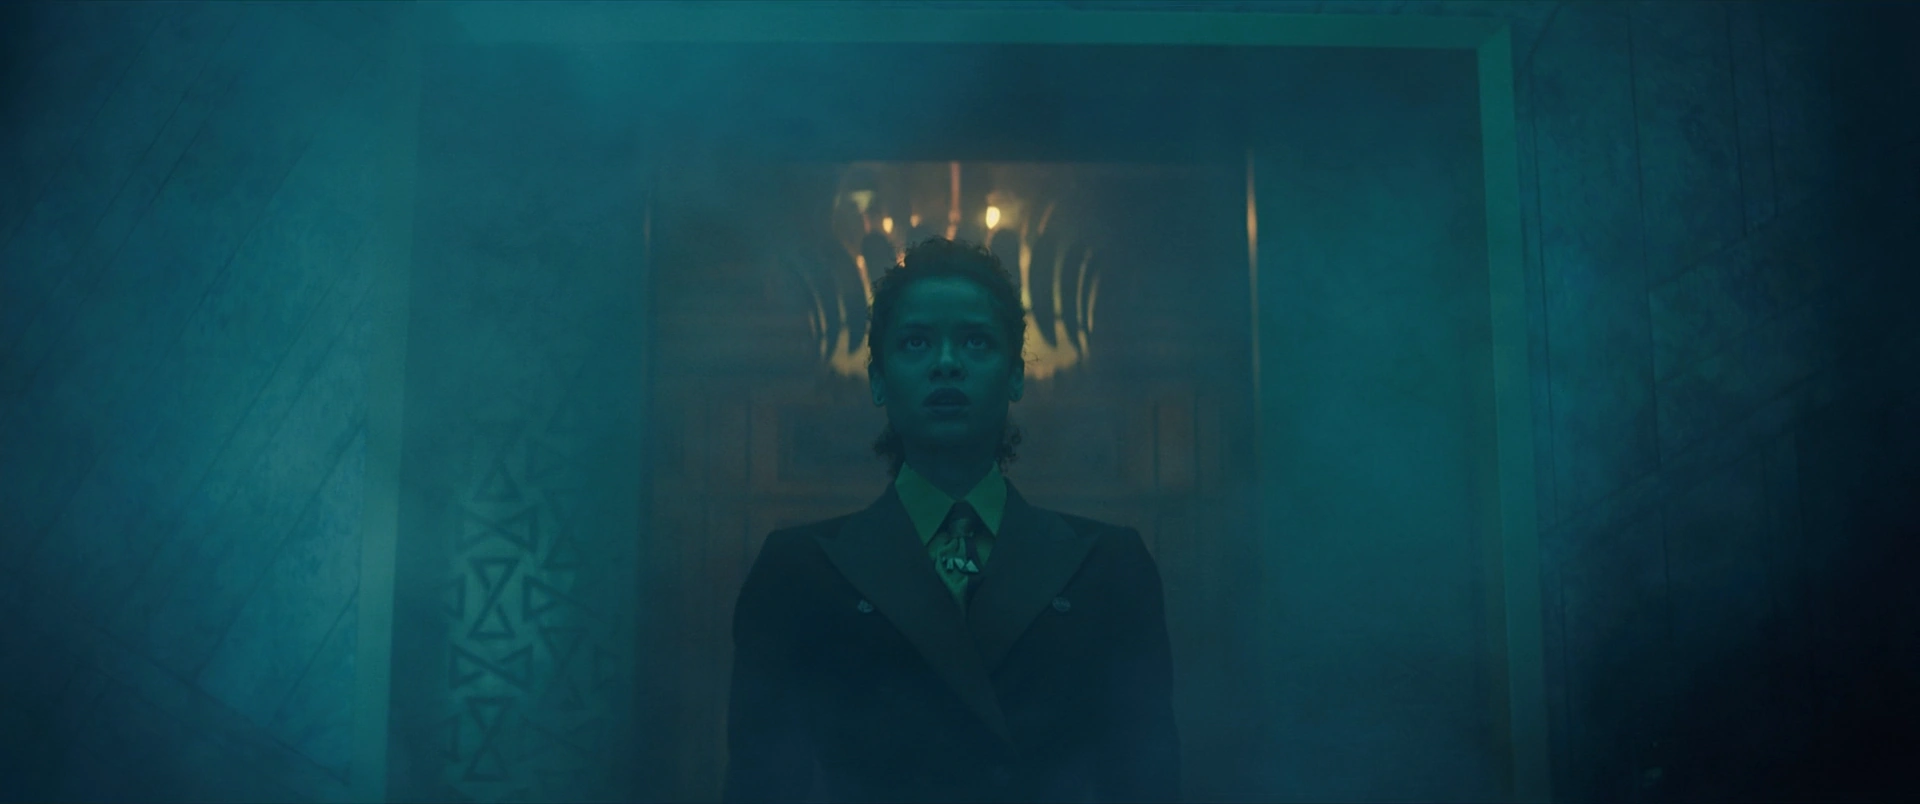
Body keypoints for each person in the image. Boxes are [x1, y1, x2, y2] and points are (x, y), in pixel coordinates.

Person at [723, 238, 1181, 803]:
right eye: (916, 341)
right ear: (878, 379)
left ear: (1015, 376)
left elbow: (1145, 780)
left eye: (975, 341)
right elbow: (761, 784)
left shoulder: (1108, 566)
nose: (946, 363)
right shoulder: (797, 571)